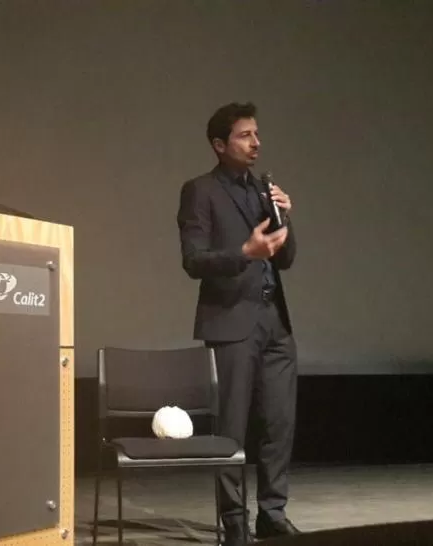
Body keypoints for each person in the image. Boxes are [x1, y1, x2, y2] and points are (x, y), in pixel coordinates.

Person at [177, 102, 299, 545]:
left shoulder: (265, 188)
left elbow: (285, 257)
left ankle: (273, 513)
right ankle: (233, 523)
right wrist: (244, 254)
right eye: (246, 135)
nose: (256, 142)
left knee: (279, 422)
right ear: (219, 144)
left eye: (257, 134)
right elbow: (193, 260)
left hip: (275, 321)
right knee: (231, 428)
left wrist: (287, 216)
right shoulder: (201, 190)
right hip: (230, 321)